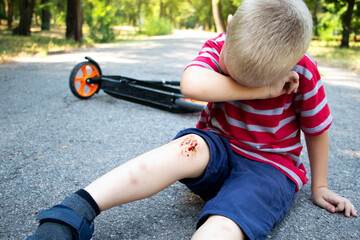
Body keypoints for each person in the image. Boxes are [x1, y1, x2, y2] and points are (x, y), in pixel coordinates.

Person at [27, 0, 357, 239]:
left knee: (228, 222)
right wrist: (262, 90)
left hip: (270, 169)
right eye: (232, 70)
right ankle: (77, 208)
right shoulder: (220, 44)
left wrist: (320, 185)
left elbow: (317, 129)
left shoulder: (304, 71)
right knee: (183, 148)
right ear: (229, 25)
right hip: (219, 146)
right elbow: (192, 84)